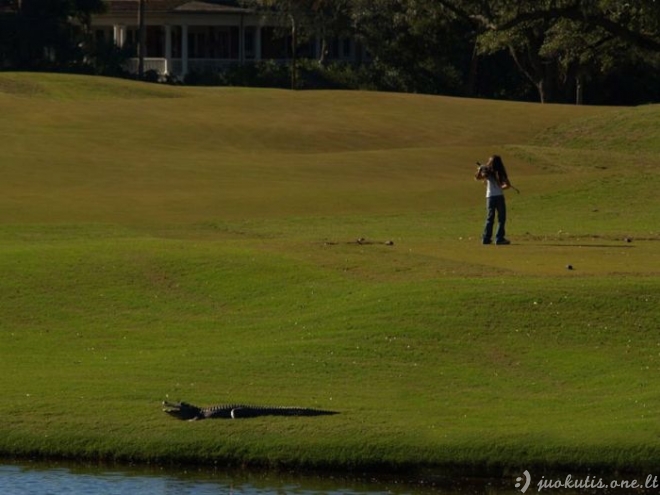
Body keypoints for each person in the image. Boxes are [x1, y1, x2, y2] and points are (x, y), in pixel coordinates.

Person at [474, 155, 511, 245]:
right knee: (501, 218)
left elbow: (477, 178)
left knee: (490, 218)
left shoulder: (488, 172)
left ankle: (486, 238)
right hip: (499, 196)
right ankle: (499, 238)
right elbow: (508, 185)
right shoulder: (498, 172)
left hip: (489, 197)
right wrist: (501, 187)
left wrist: (480, 169)